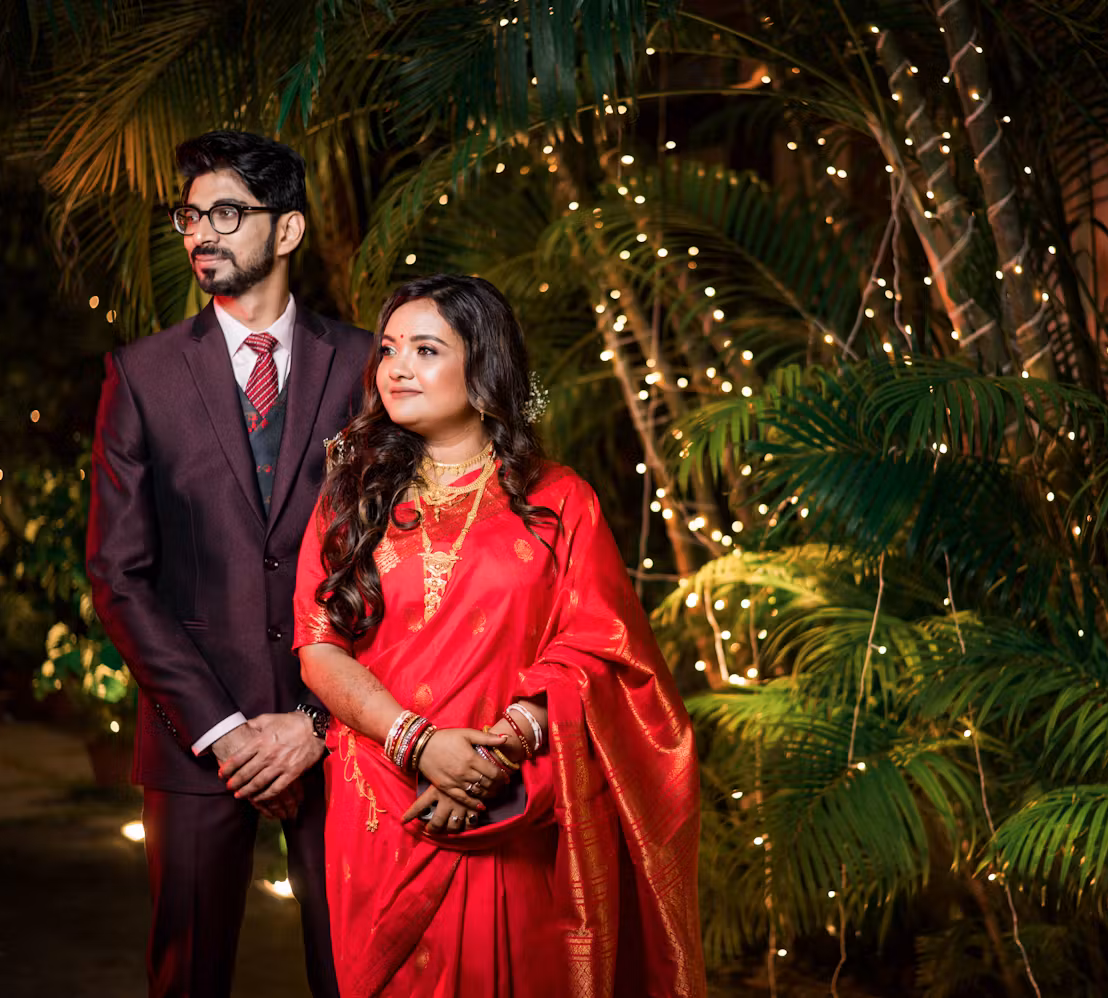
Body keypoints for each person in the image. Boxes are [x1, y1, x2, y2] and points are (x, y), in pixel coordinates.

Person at [293, 274, 705, 997]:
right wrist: (419, 745)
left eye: (425, 349)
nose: (396, 366)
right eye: (389, 348)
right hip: (382, 806)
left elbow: (601, 649)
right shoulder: (349, 495)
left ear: (484, 370)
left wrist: (492, 756)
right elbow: (319, 645)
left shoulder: (558, 499)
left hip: (510, 800)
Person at [87, 130, 370, 998]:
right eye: (189, 215)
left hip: (341, 734)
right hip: (195, 741)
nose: (199, 233)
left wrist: (315, 723)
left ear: (286, 231)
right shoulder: (140, 376)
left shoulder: (365, 365)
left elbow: (394, 552)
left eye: (224, 213)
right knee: (188, 979)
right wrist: (226, 732)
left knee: (354, 972)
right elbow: (119, 573)